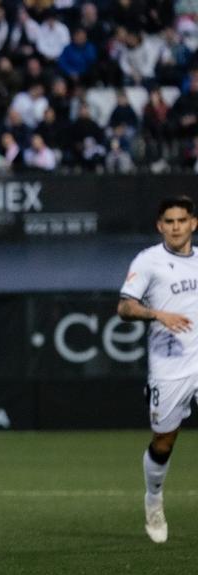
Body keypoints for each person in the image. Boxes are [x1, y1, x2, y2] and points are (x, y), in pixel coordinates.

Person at [117, 196, 198, 544]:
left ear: (193, 223)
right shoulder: (149, 261)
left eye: (182, 220)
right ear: (160, 226)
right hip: (170, 365)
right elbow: (124, 307)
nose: (176, 227)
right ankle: (154, 499)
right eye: (169, 221)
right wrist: (157, 314)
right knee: (164, 441)